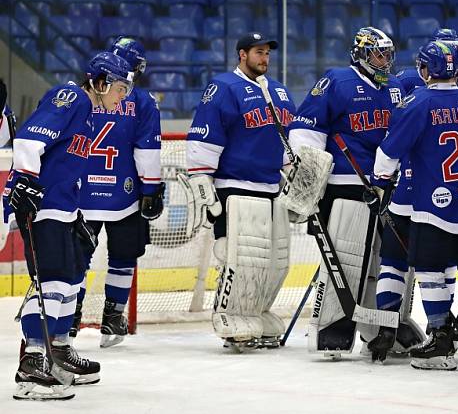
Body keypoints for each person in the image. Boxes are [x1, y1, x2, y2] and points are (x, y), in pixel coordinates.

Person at [6, 52, 134, 400]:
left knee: (70, 280)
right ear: (103, 82)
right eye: (120, 88)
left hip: (61, 207)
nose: (123, 97)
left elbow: (63, 162)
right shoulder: (72, 97)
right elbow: (29, 140)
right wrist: (27, 182)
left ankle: (58, 353)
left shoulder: (91, 113)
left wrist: (73, 210)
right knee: (50, 282)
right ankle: (32, 365)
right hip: (41, 204)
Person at [288, 26, 403, 357]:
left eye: (388, 55)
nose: (385, 62)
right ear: (361, 54)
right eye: (378, 55)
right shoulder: (336, 81)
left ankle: (384, 327)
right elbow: (306, 130)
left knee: (387, 262)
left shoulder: (394, 87)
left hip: (387, 187)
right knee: (347, 262)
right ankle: (332, 330)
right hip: (346, 184)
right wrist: (309, 187)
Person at [372, 39, 458, 371]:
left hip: (432, 206)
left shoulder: (417, 102)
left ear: (425, 69)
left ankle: (439, 340)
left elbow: (387, 155)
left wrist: (379, 182)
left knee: (431, 271)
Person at [184, 32, 296, 350]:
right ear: (242, 55)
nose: (264, 58)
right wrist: (203, 184)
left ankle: (258, 311)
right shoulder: (223, 87)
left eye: (267, 54)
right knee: (238, 258)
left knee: (275, 260)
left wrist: (294, 176)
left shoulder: (279, 92)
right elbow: (204, 138)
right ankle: (232, 314)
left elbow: (287, 141)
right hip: (234, 186)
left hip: (270, 187)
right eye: (258, 52)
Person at [71, 38, 163, 348]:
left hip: (82, 193)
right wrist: (151, 188)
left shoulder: (82, 95)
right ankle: (112, 318)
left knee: (76, 259)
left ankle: (70, 317)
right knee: (123, 258)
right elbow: (147, 149)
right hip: (125, 195)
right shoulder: (143, 101)